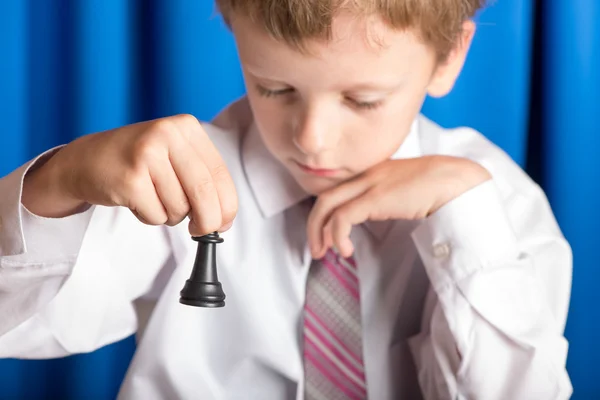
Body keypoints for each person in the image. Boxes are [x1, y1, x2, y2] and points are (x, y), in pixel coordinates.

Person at [0, 0, 573, 399]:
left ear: (449, 56)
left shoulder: (498, 210)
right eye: (274, 89)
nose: (311, 139)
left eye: (363, 99)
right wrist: (60, 182)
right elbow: (14, 327)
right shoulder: (174, 179)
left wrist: (466, 230)